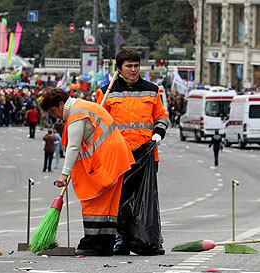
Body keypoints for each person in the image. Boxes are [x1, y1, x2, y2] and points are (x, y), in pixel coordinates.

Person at [40, 88, 134, 256]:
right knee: (108, 206)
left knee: (94, 202)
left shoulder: (77, 114)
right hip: (116, 160)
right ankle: (105, 244)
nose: (54, 115)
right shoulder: (84, 107)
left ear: (61, 104)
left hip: (105, 162)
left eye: (53, 111)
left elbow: (73, 146)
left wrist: (64, 174)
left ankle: (91, 243)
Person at [95, 48, 169, 255]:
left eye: (136, 66)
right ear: (119, 69)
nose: (134, 70)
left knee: (147, 198)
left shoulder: (152, 90)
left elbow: (161, 116)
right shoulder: (105, 93)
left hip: (146, 154)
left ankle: (152, 237)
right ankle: (122, 240)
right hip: (119, 155)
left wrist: (158, 134)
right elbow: (99, 123)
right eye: (129, 66)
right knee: (120, 200)